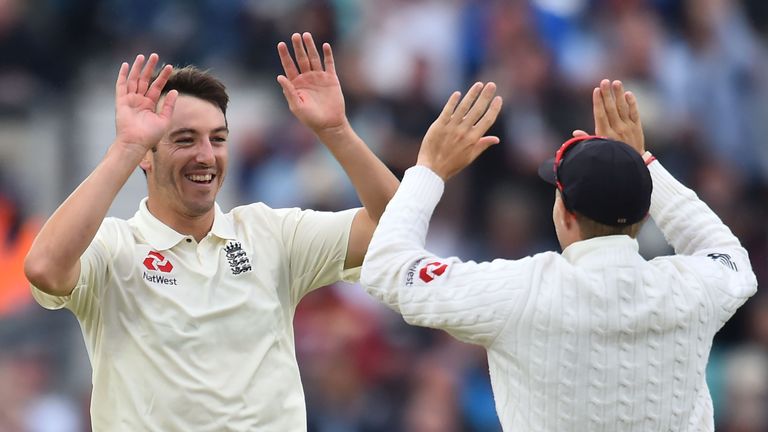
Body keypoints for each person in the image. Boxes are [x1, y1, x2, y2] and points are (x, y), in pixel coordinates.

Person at [23, 32, 407, 431]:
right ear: (147, 159)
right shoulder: (115, 247)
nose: (205, 155)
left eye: (218, 139)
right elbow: (45, 268)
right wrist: (126, 148)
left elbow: (396, 223)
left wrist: (336, 132)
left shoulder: (270, 233)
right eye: (185, 140)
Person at [360, 78, 758, 431]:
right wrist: (645, 164)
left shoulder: (522, 290)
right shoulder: (691, 288)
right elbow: (729, 256)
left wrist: (429, 170)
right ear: (642, 216)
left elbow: (387, 270)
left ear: (565, 214)